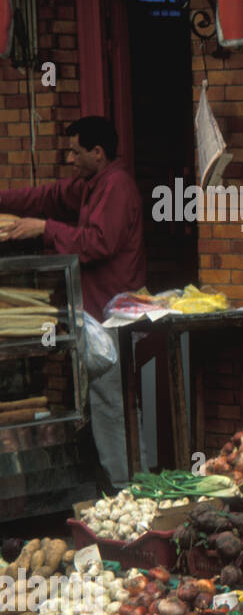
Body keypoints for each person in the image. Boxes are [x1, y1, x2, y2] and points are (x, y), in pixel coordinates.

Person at [0, 116, 145, 486]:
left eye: (74, 151)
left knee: (114, 404)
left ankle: (128, 486)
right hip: (93, 313)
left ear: (98, 153)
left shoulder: (117, 186)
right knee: (101, 401)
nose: (69, 159)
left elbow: (97, 243)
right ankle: (119, 480)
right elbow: (46, 197)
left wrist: (45, 229)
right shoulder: (90, 184)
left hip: (114, 316)